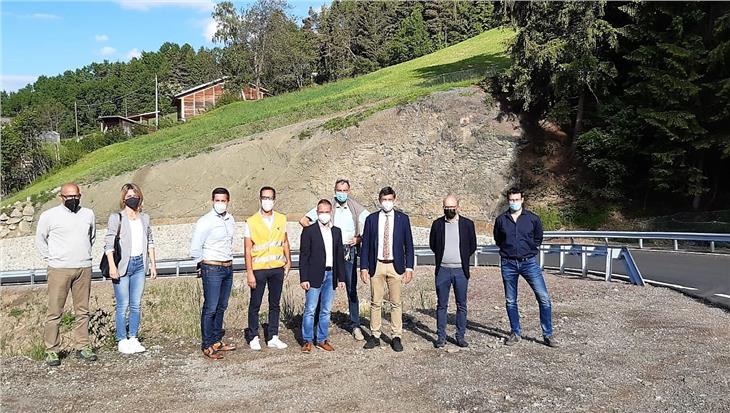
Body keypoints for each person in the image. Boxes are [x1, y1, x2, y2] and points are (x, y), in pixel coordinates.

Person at [35, 182, 97, 366]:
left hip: (83, 267)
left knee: (83, 311)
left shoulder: (88, 214)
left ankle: (82, 346)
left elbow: (91, 237)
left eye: (75, 196)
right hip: (59, 269)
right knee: (55, 311)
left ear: (80, 195)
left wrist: (83, 255)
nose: (72, 200)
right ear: (61, 197)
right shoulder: (49, 216)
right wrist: (52, 259)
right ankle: (51, 350)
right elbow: (40, 239)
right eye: (68, 197)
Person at [299, 178, 369, 341]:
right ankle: (313, 329)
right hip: (329, 252)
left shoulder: (355, 206)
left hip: (348, 251)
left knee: (351, 290)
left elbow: (371, 222)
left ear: (349, 191)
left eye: (345, 190)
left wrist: (359, 239)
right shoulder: (327, 206)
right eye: (339, 190)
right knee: (319, 288)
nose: (342, 193)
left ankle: (355, 325)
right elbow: (304, 220)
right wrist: (315, 236)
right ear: (334, 190)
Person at [493, 187, 558, 348]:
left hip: (528, 262)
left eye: (516, 199)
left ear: (522, 200)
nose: (514, 202)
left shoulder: (532, 219)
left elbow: (538, 238)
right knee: (510, 300)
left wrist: (529, 249)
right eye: (511, 200)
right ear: (508, 201)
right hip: (508, 263)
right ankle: (515, 332)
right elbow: (498, 239)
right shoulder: (501, 220)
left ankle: (548, 334)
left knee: (543, 297)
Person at [105, 183, 158, 355]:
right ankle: (122, 338)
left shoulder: (145, 218)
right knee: (123, 304)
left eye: (134, 195)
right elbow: (108, 244)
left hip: (139, 265)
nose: (132, 198)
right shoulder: (117, 218)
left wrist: (153, 264)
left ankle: (133, 337)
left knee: (136, 304)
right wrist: (112, 266)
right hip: (122, 266)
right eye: (128, 196)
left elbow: (150, 241)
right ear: (123, 199)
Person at [360, 186, 414, 352]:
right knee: (375, 302)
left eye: (390, 200)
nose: (387, 203)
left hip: (395, 265)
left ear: (394, 199)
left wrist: (409, 267)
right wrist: (363, 267)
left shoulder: (402, 219)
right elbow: (366, 244)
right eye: (384, 200)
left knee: (396, 303)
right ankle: (375, 335)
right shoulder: (371, 219)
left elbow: (409, 245)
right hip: (376, 265)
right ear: (379, 200)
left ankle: (396, 336)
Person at [190, 187, 238, 360]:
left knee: (221, 305)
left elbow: (229, 241)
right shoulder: (205, 221)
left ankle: (217, 340)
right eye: (217, 200)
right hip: (212, 267)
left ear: (228, 201)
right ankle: (207, 344)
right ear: (212, 201)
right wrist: (201, 264)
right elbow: (195, 246)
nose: (220, 204)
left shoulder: (230, 219)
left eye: (223, 200)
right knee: (210, 307)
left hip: (227, 266)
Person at [244, 186, 293, 351]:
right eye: (265, 198)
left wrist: (289, 260)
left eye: (270, 198)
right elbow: (247, 249)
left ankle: (273, 336)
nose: (267, 201)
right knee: (255, 304)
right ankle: (254, 336)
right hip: (259, 269)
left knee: (275, 304)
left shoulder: (281, 219)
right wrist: (249, 272)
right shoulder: (251, 221)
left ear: (274, 199)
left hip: (277, 268)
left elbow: (285, 241)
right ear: (260, 199)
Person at [428, 194, 477, 348]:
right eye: (446, 207)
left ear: (458, 207)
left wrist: (459, 258)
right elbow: (433, 244)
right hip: (443, 270)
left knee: (461, 304)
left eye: (452, 207)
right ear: (443, 207)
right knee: (442, 305)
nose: (449, 209)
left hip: (460, 271)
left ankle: (460, 336)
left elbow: (472, 246)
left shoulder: (467, 224)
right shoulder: (437, 224)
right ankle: (441, 337)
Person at [299, 199, 346, 353]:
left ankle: (322, 339)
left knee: (325, 310)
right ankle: (307, 340)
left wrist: (342, 278)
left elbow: (339, 256)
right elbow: (304, 256)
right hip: (314, 275)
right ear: (317, 213)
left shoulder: (336, 231)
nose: (324, 214)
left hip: (331, 275)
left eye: (327, 211)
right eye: (321, 212)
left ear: (331, 212)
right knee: (310, 309)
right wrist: (303, 278)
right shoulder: (309, 231)